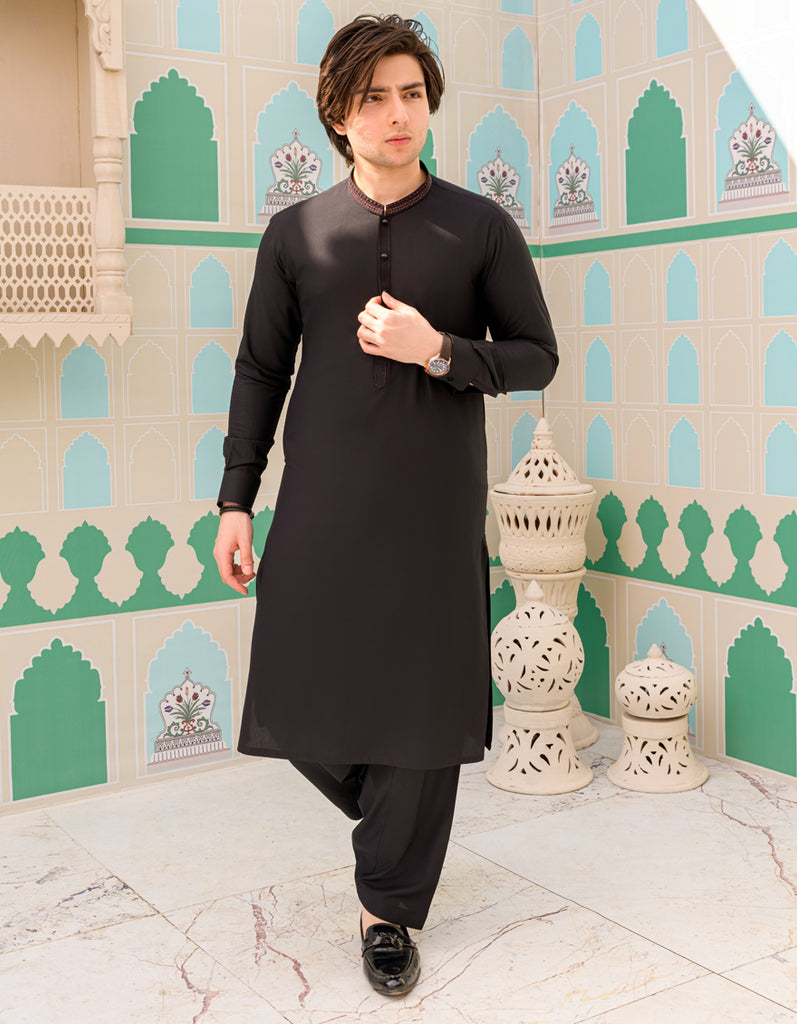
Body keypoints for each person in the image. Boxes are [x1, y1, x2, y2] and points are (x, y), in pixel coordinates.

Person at [214, 13, 558, 998]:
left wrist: (438, 350)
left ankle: (388, 910)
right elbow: (259, 369)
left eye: (411, 94)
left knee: (421, 700)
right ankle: (392, 811)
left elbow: (535, 355)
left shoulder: (479, 227)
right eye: (373, 97)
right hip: (320, 497)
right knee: (294, 691)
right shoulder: (297, 233)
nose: (396, 113)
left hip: (431, 503)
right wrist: (236, 499)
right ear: (338, 114)